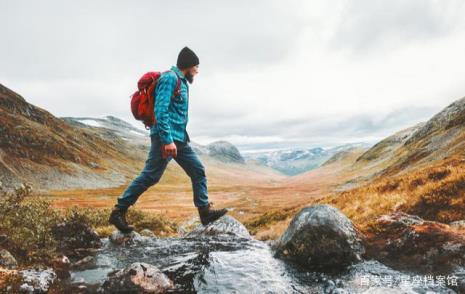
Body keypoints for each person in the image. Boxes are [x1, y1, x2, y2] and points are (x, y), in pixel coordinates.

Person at [109, 46, 228, 233]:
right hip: (166, 138)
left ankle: (204, 212)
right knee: (150, 176)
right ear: (188, 66)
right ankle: (118, 211)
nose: (197, 71)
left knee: (197, 170)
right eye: (196, 67)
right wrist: (166, 140)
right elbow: (160, 110)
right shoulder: (169, 79)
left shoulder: (182, 82)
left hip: (179, 139)